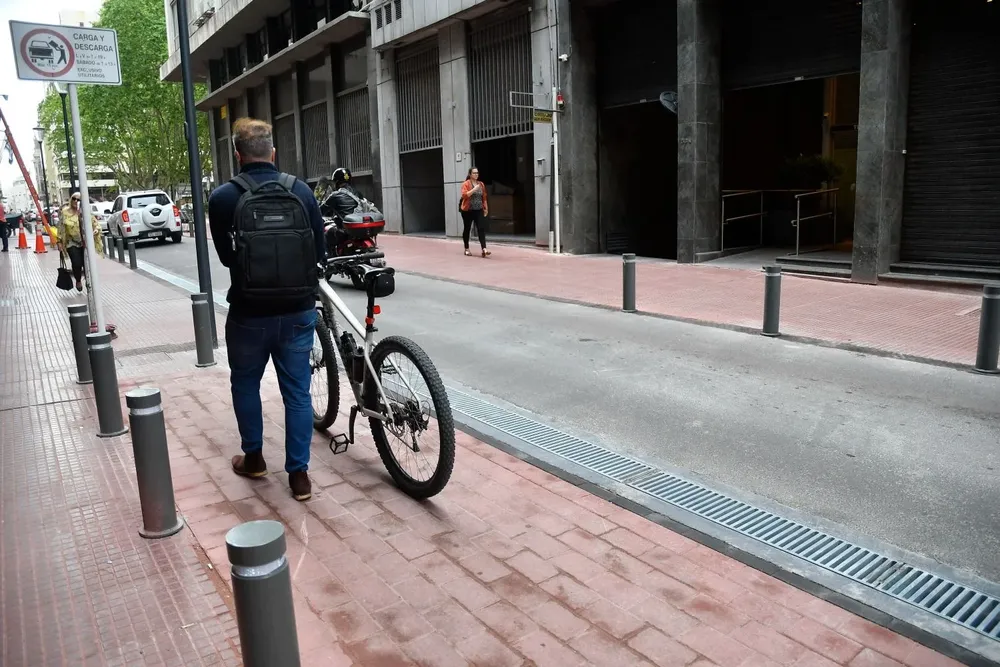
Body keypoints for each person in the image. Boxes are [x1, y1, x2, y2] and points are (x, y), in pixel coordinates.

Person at [208, 117, 326, 501]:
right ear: (273, 153)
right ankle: (299, 477)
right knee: (298, 393)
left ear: (238, 155)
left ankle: (255, 457)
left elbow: (227, 258)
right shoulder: (302, 192)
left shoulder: (223, 198)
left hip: (249, 313)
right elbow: (319, 254)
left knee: (245, 383)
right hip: (297, 312)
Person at [57, 193, 103, 291]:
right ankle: (78, 279)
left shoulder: (85, 212)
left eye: (79, 200)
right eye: (74, 199)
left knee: (86, 263)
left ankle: (88, 281)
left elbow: (96, 225)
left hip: (85, 242)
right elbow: (60, 228)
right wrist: (59, 242)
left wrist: (95, 231)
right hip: (71, 242)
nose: (76, 201)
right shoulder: (65, 213)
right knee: (76, 262)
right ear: (71, 200)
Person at [460, 167, 490, 258]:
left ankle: (484, 249)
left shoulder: (481, 184)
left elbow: (484, 197)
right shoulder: (466, 184)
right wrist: (474, 189)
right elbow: (464, 195)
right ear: (470, 174)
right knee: (467, 229)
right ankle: (466, 249)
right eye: (474, 173)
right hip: (468, 210)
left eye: (477, 173)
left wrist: (486, 208)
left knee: (481, 228)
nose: (476, 174)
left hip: (479, 210)